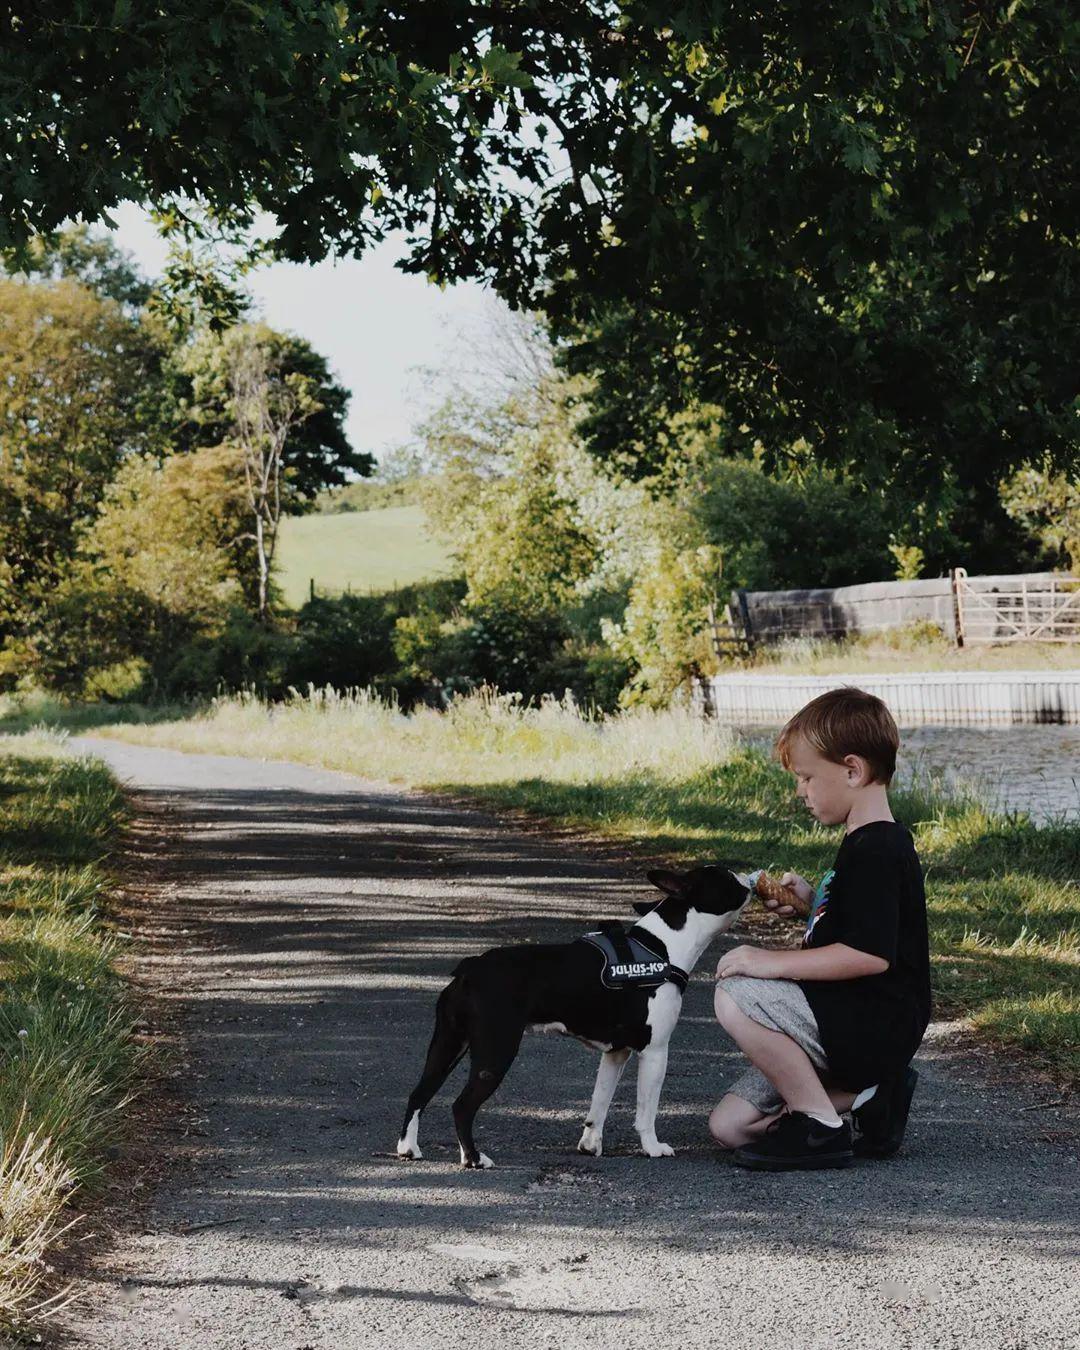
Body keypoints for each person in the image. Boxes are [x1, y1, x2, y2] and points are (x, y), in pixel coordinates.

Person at [709, 686, 931, 1170]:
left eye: (807, 777)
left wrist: (771, 962)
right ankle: (869, 1097)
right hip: (844, 1025)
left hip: (870, 1025)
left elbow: (869, 955)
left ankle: (820, 1127)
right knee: (730, 1127)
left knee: (737, 992)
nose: (800, 790)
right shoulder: (861, 844)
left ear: (853, 770)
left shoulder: (879, 849)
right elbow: (860, 927)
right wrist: (813, 906)